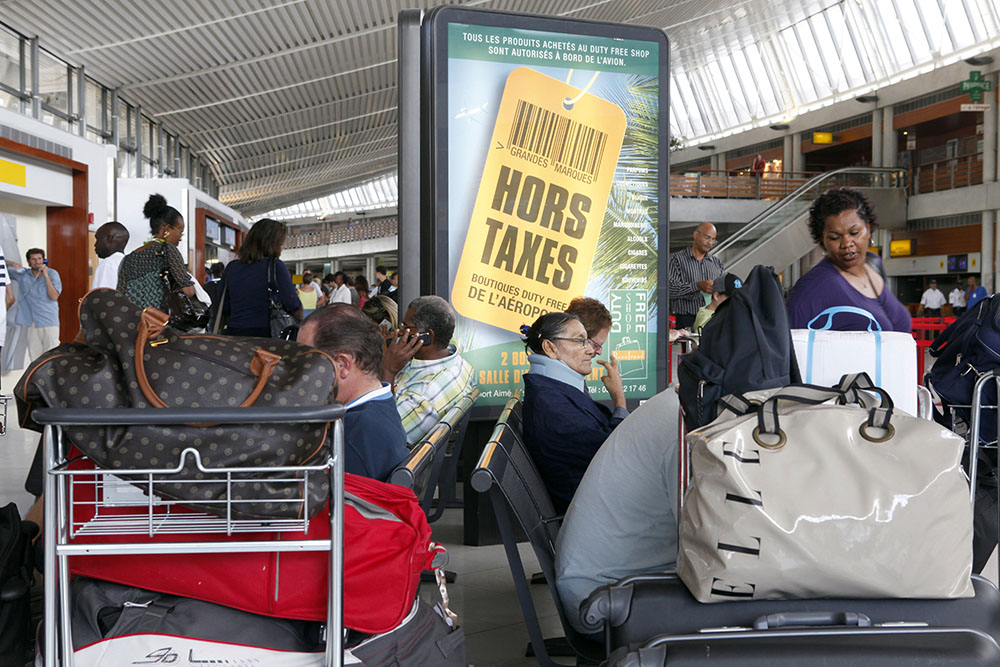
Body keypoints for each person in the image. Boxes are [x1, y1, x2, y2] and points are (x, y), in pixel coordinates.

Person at [555, 387, 680, 636]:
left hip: (596, 585)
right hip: (605, 604)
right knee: (755, 610)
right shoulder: (688, 426)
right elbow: (707, 544)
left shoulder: (676, 404)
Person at [520, 312, 627, 513]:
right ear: (550, 348)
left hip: (593, 498)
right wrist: (619, 399)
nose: (590, 350)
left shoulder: (550, 390)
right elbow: (615, 454)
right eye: (579, 341)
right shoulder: (552, 405)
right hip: (596, 511)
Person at [298, 304, 409, 481]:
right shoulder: (380, 408)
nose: (301, 374)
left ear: (342, 365)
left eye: (308, 362)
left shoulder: (350, 434)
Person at [786, 187, 911, 332]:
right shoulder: (813, 287)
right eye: (835, 237)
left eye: (854, 233)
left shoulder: (873, 263)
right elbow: (787, 339)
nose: (846, 244)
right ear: (822, 241)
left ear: (868, 228)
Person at [381, 296, 477, 446]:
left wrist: (388, 371)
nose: (400, 332)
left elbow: (382, 437)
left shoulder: (425, 395)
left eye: (406, 327)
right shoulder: (460, 364)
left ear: (427, 336)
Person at [219, 218, 301, 337]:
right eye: (281, 244)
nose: (281, 248)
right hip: (266, 335)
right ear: (273, 244)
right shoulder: (275, 266)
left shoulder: (231, 267)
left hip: (235, 334)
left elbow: (224, 306)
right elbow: (293, 304)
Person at [117, 194, 194, 314]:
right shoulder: (168, 250)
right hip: (160, 320)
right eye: (180, 232)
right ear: (167, 229)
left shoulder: (129, 258)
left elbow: (120, 296)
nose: (180, 238)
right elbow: (188, 291)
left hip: (135, 321)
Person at [8, 248, 62, 362]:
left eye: (39, 259)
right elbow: (2, 266)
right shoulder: (23, 275)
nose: (37, 262)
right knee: (35, 358)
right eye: (33, 259)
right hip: (31, 322)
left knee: (52, 357)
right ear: (28, 262)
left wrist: (46, 276)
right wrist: (12, 263)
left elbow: (54, 296)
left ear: (44, 260)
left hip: (49, 322)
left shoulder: (52, 274)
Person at [668, 223, 724, 330]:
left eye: (713, 239)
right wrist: (697, 286)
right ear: (696, 235)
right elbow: (669, 290)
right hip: (686, 320)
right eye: (707, 238)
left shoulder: (716, 263)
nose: (710, 243)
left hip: (712, 319)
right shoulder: (677, 260)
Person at [92, 221, 129, 290]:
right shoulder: (127, 263)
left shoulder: (108, 263)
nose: (95, 244)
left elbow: (104, 295)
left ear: (109, 239)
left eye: (98, 239)